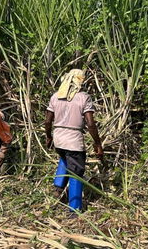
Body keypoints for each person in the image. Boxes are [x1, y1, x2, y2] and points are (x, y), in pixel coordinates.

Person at [45, 69, 104, 212]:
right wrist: (97, 143)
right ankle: (74, 208)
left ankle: (58, 188)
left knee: (65, 159)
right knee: (76, 173)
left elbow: (47, 121)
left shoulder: (55, 96)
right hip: (73, 140)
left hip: (58, 138)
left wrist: (48, 136)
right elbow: (90, 124)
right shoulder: (83, 97)